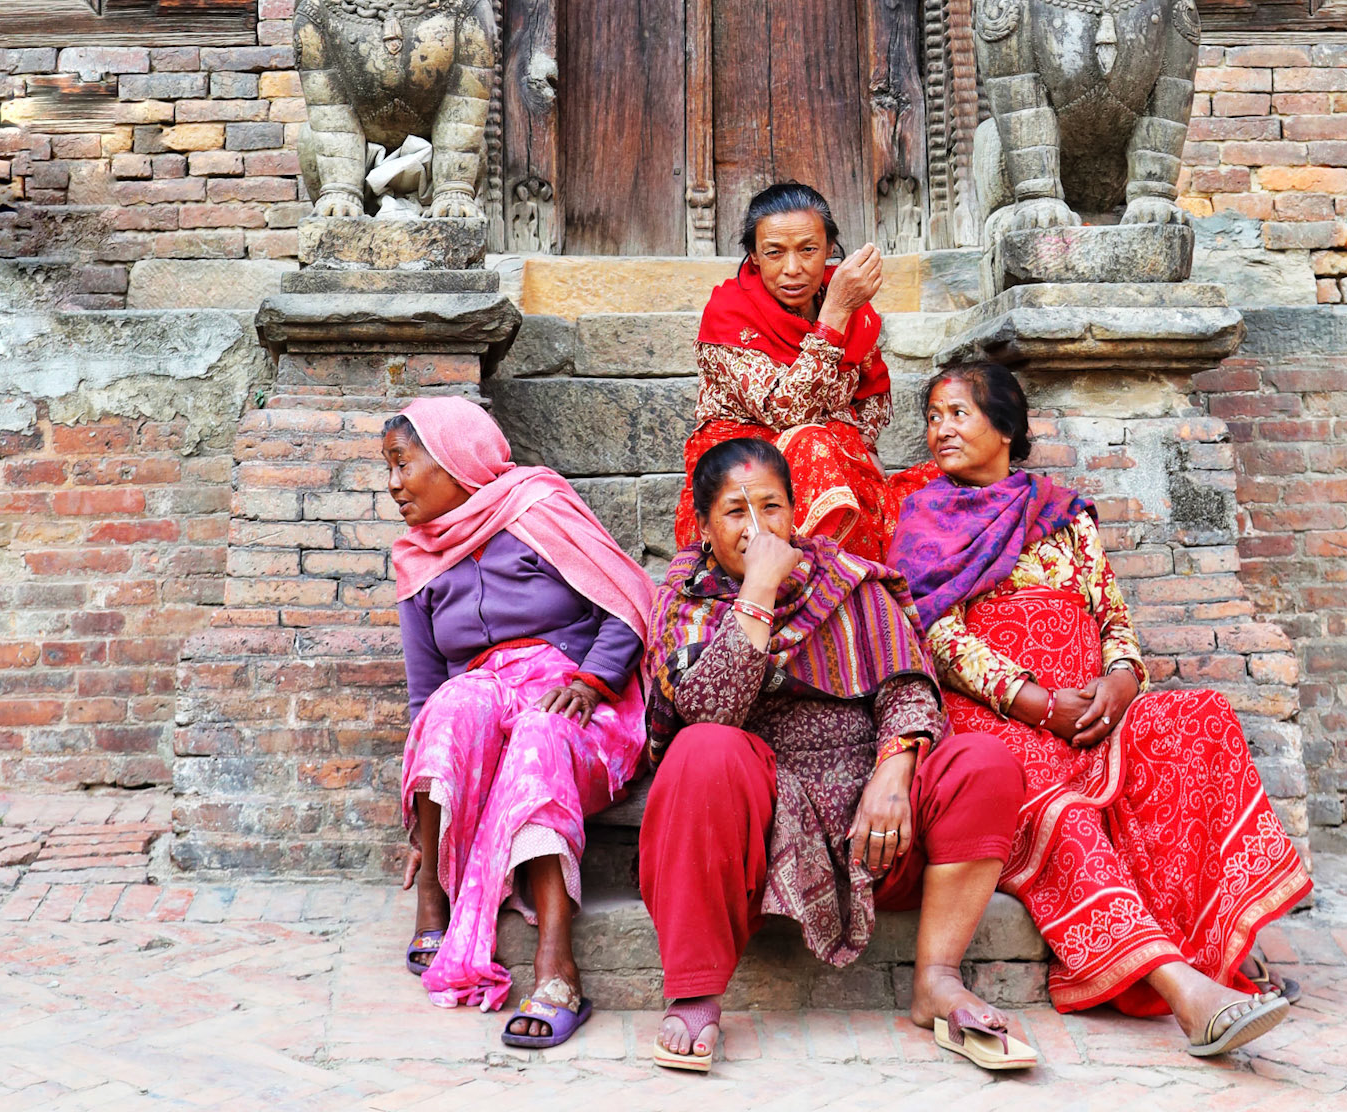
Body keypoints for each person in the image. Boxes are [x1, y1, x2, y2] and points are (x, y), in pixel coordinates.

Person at [890, 363, 1311, 1060]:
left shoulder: (1063, 514)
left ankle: (1221, 942)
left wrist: (1119, 681)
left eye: (958, 414)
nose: (942, 430)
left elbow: (1112, 614)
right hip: (1000, 718)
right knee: (1062, 811)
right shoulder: (925, 518)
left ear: (1005, 426)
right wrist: (1036, 703)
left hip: (1091, 709)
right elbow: (936, 634)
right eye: (934, 417)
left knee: (1199, 719)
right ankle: (1187, 992)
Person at [640, 435, 1037, 1075]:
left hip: (876, 827)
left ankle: (937, 979)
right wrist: (758, 591)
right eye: (736, 512)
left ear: (794, 512)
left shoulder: (847, 581)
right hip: (763, 822)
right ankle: (694, 992)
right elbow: (712, 709)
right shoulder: (684, 602)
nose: (757, 527)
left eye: (771, 507)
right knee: (701, 747)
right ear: (704, 528)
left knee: (984, 764)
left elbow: (910, 688)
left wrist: (893, 770)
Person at [385, 397, 655, 1049]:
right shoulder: (418, 559)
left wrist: (590, 680)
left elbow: (629, 603)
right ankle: (433, 895)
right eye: (387, 468)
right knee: (455, 705)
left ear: (453, 460)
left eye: (402, 463)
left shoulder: (539, 509)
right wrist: (429, 811)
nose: (393, 484)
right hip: (485, 709)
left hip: (578, 702)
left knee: (539, 732)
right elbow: (427, 696)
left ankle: (557, 967)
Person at [677, 181, 906, 562]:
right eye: (774, 252)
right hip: (747, 472)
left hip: (834, 458)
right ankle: (807, 577)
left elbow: (871, 391)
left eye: (808, 250)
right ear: (754, 256)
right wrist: (834, 315)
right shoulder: (729, 312)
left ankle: (849, 580)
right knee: (812, 442)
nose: (793, 269)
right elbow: (788, 411)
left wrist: (863, 446)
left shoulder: (850, 304)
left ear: (830, 249)